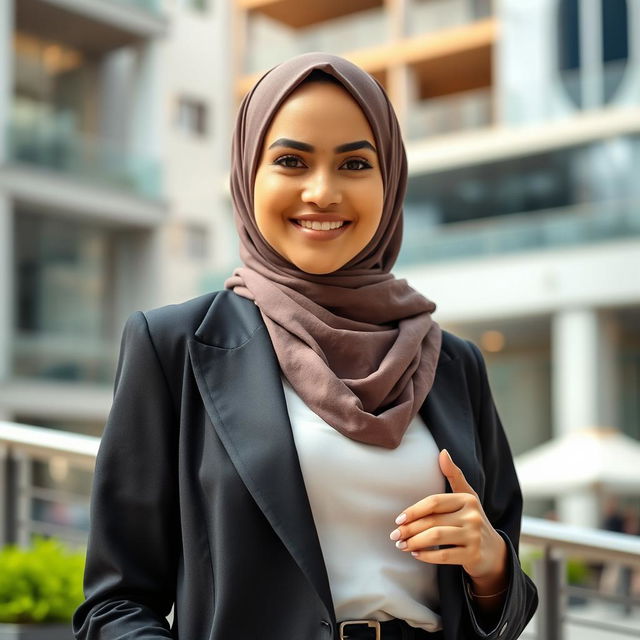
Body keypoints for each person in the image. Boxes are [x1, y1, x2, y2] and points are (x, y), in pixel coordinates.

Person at [72, 53, 538, 640]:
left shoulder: (451, 363)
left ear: (389, 179)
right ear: (247, 174)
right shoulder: (174, 348)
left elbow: (510, 604)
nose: (323, 192)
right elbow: (115, 605)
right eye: (291, 160)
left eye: (355, 163)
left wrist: (490, 564)